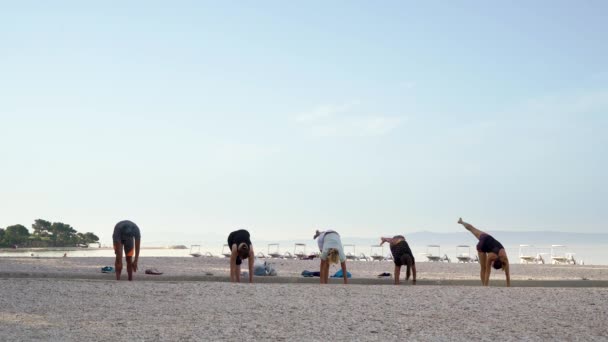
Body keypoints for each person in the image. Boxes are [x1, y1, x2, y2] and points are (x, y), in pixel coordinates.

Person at [458, 218, 510, 287]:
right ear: (494, 261)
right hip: (482, 246)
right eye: (492, 264)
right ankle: (484, 286)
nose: (491, 264)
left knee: (472, 229)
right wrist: (508, 286)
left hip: (486, 238)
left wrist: (508, 286)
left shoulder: (504, 258)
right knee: (483, 268)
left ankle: (462, 222)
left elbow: (507, 275)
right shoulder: (491, 257)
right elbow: (488, 272)